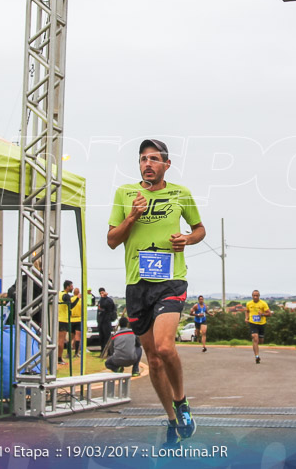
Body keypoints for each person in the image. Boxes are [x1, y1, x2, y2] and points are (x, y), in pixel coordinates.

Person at [107, 138, 205, 443]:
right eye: (142, 159)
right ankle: (172, 419)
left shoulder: (181, 193)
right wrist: (132, 216)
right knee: (152, 356)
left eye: (153, 159)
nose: (147, 164)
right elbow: (111, 240)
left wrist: (187, 240)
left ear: (166, 164)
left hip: (171, 280)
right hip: (137, 285)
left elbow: (200, 229)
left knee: (164, 347)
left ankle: (181, 400)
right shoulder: (125, 193)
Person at [245, 289, 272, 363]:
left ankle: (255, 342)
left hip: (261, 324)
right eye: (254, 295)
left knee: (260, 341)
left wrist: (262, 314)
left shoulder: (263, 303)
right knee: (255, 338)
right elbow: (247, 311)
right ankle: (257, 356)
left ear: (259, 296)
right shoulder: (249, 303)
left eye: (257, 295)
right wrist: (246, 318)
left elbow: (269, 314)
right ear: (252, 296)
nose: (255, 297)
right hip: (252, 323)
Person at [59, 280, 74, 365]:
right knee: (61, 340)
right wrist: (77, 299)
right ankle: (59, 358)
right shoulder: (66, 295)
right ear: (67, 287)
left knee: (60, 339)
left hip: (59, 318)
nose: (72, 287)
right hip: (63, 319)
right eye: (71, 286)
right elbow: (71, 305)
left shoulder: (59, 293)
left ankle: (58, 357)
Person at [97, 287, 117, 354]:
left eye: (103, 292)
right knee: (101, 337)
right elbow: (99, 309)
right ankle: (102, 351)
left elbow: (104, 306)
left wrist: (103, 298)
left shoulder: (109, 300)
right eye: (101, 293)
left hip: (107, 321)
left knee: (107, 337)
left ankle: (109, 352)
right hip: (101, 321)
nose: (102, 294)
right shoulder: (100, 300)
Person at [70, 287, 84, 357]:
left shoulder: (71, 299)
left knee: (71, 337)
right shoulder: (81, 301)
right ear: (79, 293)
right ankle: (76, 353)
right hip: (79, 319)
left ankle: (68, 352)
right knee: (78, 337)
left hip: (71, 319)